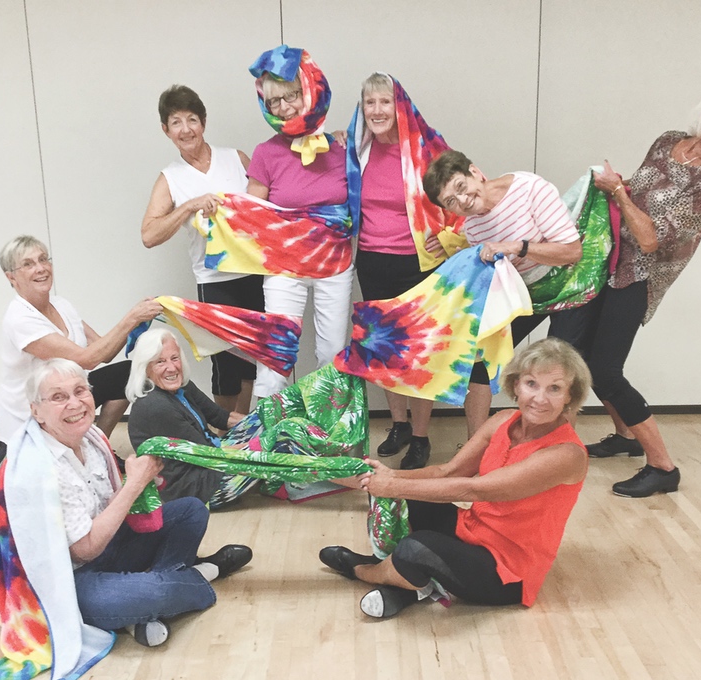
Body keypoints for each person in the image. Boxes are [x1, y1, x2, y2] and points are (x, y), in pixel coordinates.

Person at [580, 77, 701, 498]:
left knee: (607, 371)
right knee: (592, 361)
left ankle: (662, 466)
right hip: (610, 259)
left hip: (642, 274)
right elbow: (644, 194)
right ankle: (625, 438)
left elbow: (651, 240)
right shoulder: (669, 140)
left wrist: (618, 193)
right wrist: (617, 187)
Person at [320, 337, 590, 618]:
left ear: (570, 396)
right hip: (470, 532)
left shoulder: (567, 454)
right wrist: (388, 476)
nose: (539, 398)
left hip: (507, 572)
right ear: (516, 384)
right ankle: (414, 582)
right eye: (531, 384)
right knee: (410, 500)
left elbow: (474, 490)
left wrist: (392, 485)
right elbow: (448, 471)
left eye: (555, 389)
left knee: (414, 548)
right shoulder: (503, 420)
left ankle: (366, 570)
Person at [24, 358, 251, 647]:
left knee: (190, 510)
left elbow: (111, 510)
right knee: (148, 593)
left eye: (80, 391)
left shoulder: (92, 436)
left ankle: (142, 607)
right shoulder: (41, 467)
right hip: (73, 577)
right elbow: (85, 549)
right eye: (58, 397)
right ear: (36, 411)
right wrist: (133, 486)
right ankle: (194, 577)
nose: (75, 403)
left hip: (110, 546)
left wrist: (142, 484)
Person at [423, 150, 584, 438]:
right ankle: (477, 445)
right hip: (525, 294)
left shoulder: (528, 188)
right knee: (477, 356)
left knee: (560, 368)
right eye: (451, 202)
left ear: (475, 172)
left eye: (461, 187)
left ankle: (557, 448)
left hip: (567, 288)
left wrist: (516, 246)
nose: (462, 201)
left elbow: (572, 252)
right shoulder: (473, 227)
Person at [347, 72, 463, 469]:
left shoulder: (428, 147)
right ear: (362, 109)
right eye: (369, 103)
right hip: (372, 260)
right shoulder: (356, 148)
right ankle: (397, 424)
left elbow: (470, 193)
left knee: (419, 350)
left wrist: (449, 237)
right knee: (382, 348)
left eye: (385, 102)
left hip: (419, 264)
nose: (377, 110)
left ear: (401, 107)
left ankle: (420, 435)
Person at [0, 235, 162, 480]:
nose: (40, 268)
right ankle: (6, 456)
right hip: (35, 412)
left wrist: (139, 320)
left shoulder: (62, 305)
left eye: (43, 260)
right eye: (28, 264)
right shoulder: (20, 319)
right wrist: (132, 317)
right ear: (11, 277)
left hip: (68, 395)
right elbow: (87, 358)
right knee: (19, 470)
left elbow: (104, 351)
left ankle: (95, 447)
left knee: (130, 372)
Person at [141, 84, 263, 415]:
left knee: (256, 357)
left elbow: (266, 209)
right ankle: (222, 432)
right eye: (176, 122)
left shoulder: (236, 159)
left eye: (192, 120)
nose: (186, 129)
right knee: (227, 367)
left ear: (204, 123)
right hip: (215, 280)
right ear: (166, 130)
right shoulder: (171, 178)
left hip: (257, 273)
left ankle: (246, 426)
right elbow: (149, 235)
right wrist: (188, 207)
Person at [246, 45, 353, 398]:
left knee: (332, 354)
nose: (284, 108)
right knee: (275, 356)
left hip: (334, 268)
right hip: (283, 268)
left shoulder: (343, 148)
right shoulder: (266, 152)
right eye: (274, 102)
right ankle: (263, 440)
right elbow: (250, 214)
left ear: (309, 90)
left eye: (291, 95)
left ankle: (332, 433)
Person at [126, 328, 256, 511]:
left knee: (274, 419)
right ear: (146, 369)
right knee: (284, 435)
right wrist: (260, 444)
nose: (171, 368)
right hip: (195, 489)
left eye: (174, 358)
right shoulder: (155, 406)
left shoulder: (183, 386)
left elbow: (221, 417)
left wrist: (261, 423)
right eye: (160, 362)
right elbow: (207, 454)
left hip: (212, 458)